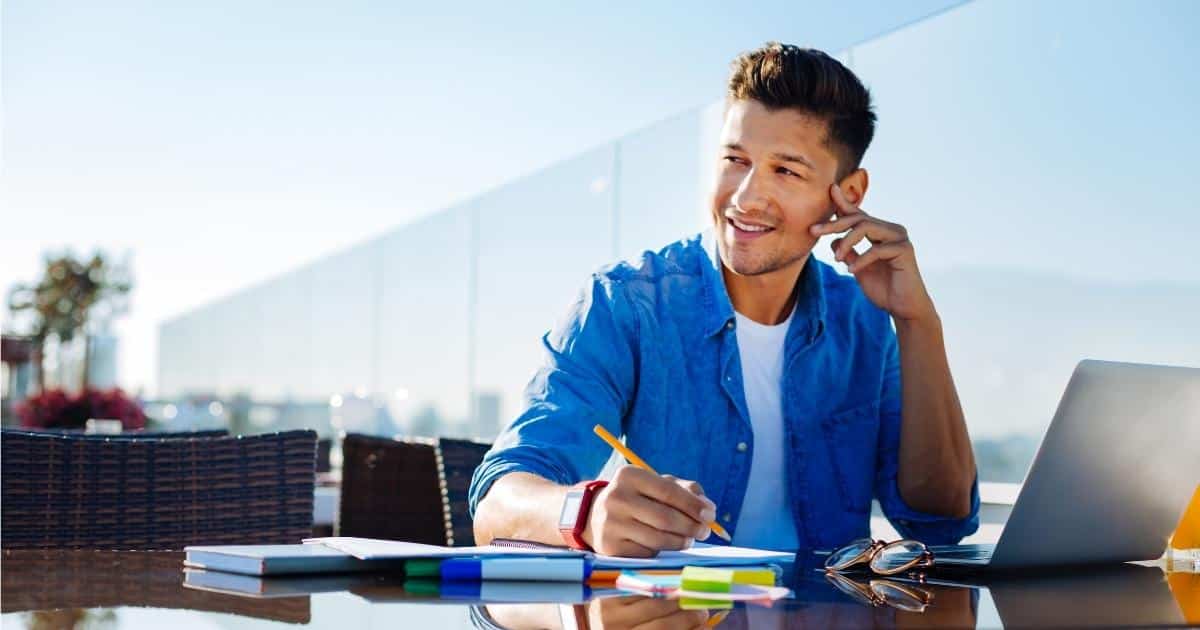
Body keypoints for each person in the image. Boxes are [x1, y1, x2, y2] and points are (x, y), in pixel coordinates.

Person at [469, 42, 979, 556]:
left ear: (849, 192)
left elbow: (941, 520)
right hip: (677, 602)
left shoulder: (864, 322)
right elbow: (495, 505)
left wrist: (918, 322)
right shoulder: (627, 304)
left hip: (825, 601)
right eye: (736, 160)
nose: (745, 197)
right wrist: (588, 513)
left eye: (786, 171)